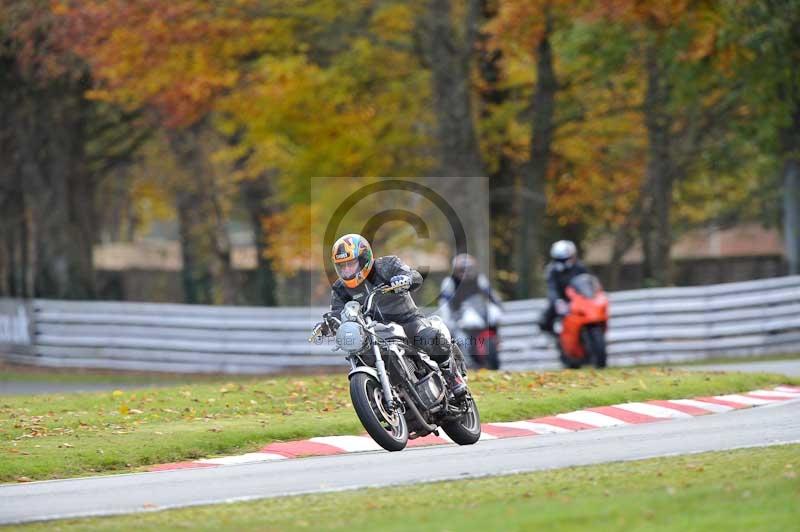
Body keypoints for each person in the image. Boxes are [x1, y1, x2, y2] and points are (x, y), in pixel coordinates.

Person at [319, 233, 467, 396]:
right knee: (360, 355)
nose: (346, 270)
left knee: (427, 337)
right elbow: (336, 312)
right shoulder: (340, 288)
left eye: (351, 264)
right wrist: (329, 323)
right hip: (371, 331)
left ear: (363, 259)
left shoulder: (387, 265)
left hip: (406, 320)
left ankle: (451, 374)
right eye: (342, 266)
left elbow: (415, 276)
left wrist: (406, 279)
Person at [538, 240, 589, 335]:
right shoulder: (552, 271)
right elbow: (552, 288)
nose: (564, 262)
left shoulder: (579, 267)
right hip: (562, 300)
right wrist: (557, 301)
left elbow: (588, 281)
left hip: (580, 299)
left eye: (567, 259)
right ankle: (556, 337)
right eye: (560, 260)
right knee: (546, 319)